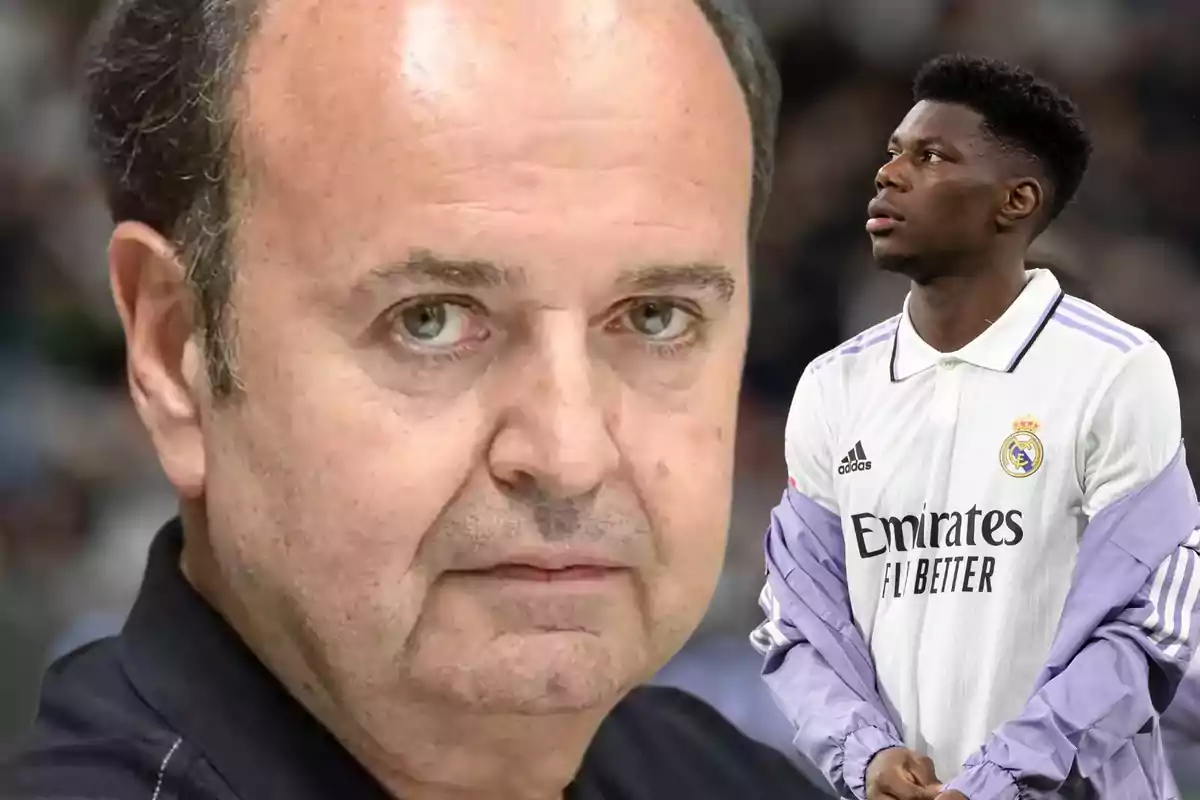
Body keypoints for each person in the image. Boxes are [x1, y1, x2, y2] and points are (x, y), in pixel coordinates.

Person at [0, 1, 831, 799]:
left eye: (656, 317)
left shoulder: (724, 776)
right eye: (429, 320)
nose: (571, 455)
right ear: (175, 354)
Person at [752, 53, 1200, 800]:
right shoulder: (834, 386)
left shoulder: (1116, 369)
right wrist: (865, 755)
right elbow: (795, 622)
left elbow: (1152, 625)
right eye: (894, 151)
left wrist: (1002, 777)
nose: (889, 173)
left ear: (1015, 201)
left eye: (930, 156)